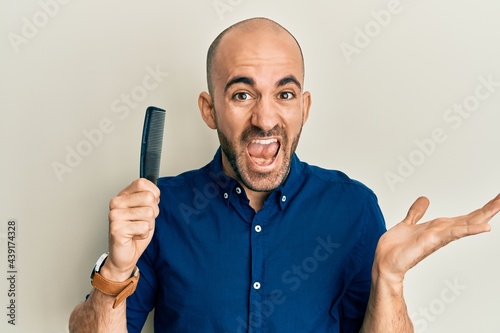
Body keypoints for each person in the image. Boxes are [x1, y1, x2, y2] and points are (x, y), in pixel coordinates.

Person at [69, 17, 500, 333]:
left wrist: (389, 281)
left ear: (304, 108)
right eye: (242, 93)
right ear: (208, 109)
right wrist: (118, 269)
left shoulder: (352, 209)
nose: (265, 117)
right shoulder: (159, 210)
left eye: (285, 93)